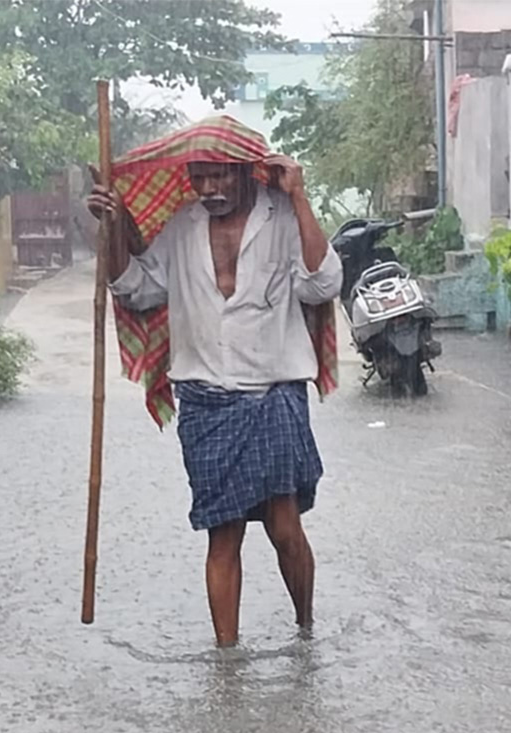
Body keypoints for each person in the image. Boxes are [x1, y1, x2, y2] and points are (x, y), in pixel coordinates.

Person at [86, 139, 342, 648]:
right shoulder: (183, 227)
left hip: (273, 395)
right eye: (200, 177)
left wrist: (301, 198)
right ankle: (227, 662)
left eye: (220, 176)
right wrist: (112, 227)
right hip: (205, 401)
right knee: (221, 532)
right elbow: (135, 288)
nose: (209, 188)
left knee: (284, 526)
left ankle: (306, 631)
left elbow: (323, 283)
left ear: (248, 172)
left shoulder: (284, 218)